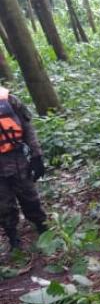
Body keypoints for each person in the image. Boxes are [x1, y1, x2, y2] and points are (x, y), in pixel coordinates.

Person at [0, 87, 47, 250]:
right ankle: (13, 237)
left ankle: (42, 228)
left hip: (16, 159)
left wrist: (37, 156)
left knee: (29, 197)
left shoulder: (10, 101)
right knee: (3, 205)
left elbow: (27, 129)